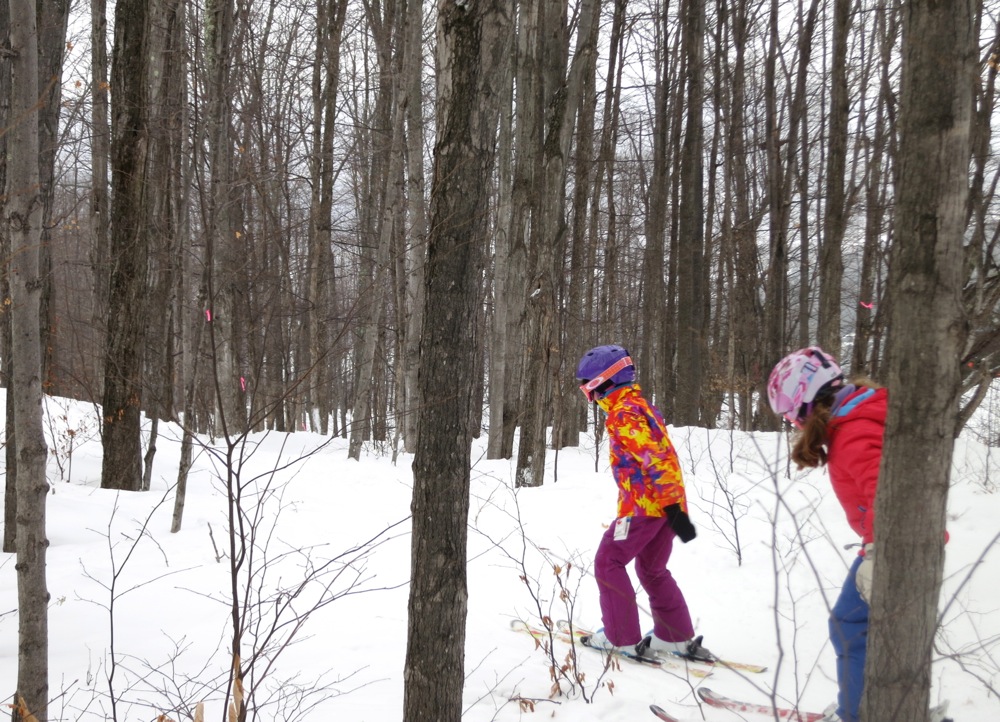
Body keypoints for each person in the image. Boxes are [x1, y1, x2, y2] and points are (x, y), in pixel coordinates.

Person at [767, 346, 949, 722]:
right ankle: (892, 710)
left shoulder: (853, 433)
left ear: (804, 406)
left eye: (789, 415)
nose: (792, 425)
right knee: (880, 631)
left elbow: (893, 494)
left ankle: (858, 714)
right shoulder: (863, 413)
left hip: (895, 547)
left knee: (849, 626)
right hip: (900, 544)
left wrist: (879, 550)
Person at [574, 344, 713, 663]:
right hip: (663, 506)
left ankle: (620, 637)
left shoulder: (625, 413)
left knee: (608, 561)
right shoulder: (640, 407)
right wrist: (674, 509)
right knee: (651, 567)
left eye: (587, 387)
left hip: (644, 508)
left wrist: (672, 509)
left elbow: (657, 460)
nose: (589, 396)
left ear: (603, 383)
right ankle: (674, 637)